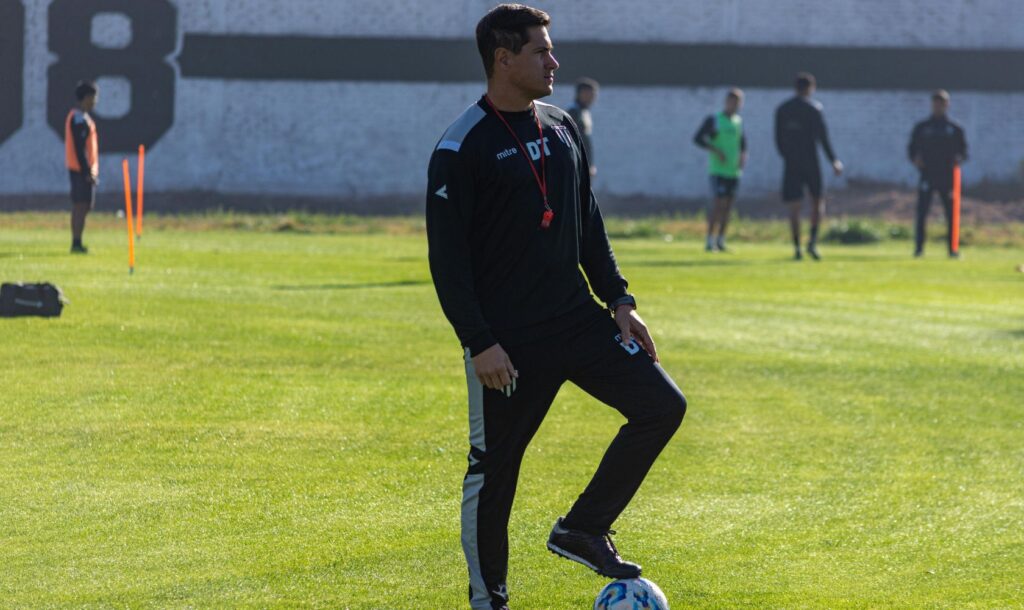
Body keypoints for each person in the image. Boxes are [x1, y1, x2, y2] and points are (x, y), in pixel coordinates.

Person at [425, 5, 686, 609]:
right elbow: (448, 262)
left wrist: (619, 298)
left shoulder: (563, 125)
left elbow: (586, 220)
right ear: (503, 58)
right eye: (542, 51)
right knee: (495, 471)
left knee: (661, 406)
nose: (554, 61)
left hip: (578, 321)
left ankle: (582, 528)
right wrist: (479, 342)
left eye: (551, 48)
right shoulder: (462, 146)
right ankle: (489, 599)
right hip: (509, 345)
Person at [774, 72, 843, 260]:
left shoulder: (783, 109)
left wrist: (788, 157)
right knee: (817, 202)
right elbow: (823, 138)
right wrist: (834, 161)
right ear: (810, 88)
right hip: (811, 163)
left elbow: (778, 140)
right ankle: (812, 243)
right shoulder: (814, 109)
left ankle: (796, 246)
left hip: (792, 164)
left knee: (794, 206)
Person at [907, 89, 967, 258]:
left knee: (951, 213)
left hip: (948, 177)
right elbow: (911, 149)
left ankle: (952, 249)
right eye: (935, 103)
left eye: (942, 103)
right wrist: (916, 159)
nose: (938, 106)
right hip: (927, 174)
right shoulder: (922, 128)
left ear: (947, 105)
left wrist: (958, 159)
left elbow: (963, 152)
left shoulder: (955, 129)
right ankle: (919, 249)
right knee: (922, 212)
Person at [693, 88, 747, 252]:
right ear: (726, 102)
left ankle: (721, 240)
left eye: (738, 102)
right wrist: (716, 150)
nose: (735, 105)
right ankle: (710, 240)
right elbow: (697, 138)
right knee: (718, 205)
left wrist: (742, 159)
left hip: (733, 171)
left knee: (728, 207)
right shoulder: (715, 119)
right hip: (718, 170)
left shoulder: (738, 121)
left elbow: (743, 145)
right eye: (732, 101)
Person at [65, 80, 99, 254]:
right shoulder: (78, 119)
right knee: (80, 205)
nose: (95, 101)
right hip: (80, 170)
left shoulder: (82, 117)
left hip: (82, 169)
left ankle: (77, 241)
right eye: (93, 97)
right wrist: (87, 171)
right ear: (86, 98)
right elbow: (80, 149)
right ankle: (76, 242)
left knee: (84, 205)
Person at [567, 77, 598, 177]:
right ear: (581, 93)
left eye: (594, 94)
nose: (593, 98)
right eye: (590, 94)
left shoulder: (583, 111)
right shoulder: (573, 112)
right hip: (576, 165)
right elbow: (573, 141)